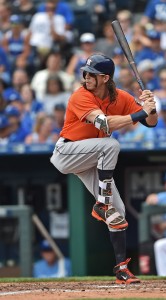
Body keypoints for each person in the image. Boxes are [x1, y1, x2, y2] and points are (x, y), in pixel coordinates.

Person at [50, 53, 158, 284]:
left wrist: (150, 107)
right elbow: (105, 123)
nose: (86, 77)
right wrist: (140, 112)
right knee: (111, 144)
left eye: (92, 74)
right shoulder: (81, 96)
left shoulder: (121, 97)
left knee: (117, 212)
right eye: (85, 73)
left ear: (105, 78)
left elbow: (152, 123)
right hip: (67, 153)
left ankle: (121, 269)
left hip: (92, 157)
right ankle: (101, 204)